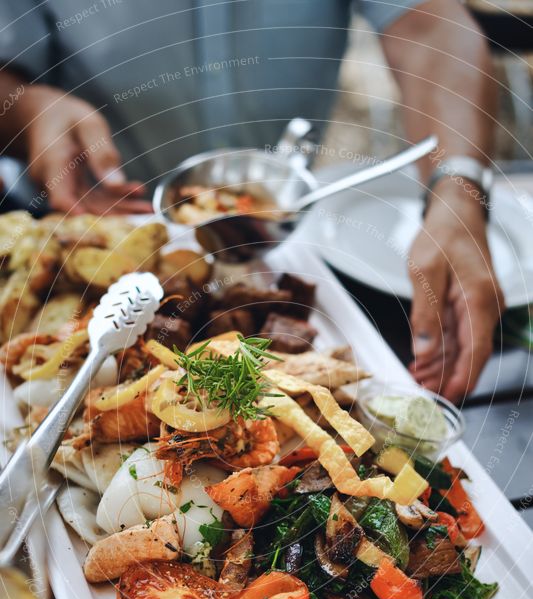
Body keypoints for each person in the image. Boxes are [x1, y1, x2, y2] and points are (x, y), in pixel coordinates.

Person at [0, 0, 503, 401]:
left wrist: (458, 186)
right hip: (63, 228)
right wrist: (27, 112)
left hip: (290, 240)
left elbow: (429, 24)